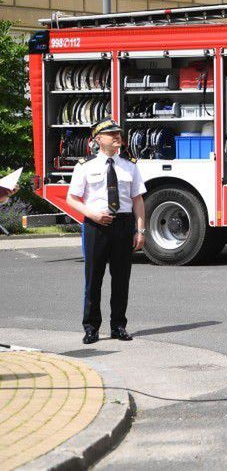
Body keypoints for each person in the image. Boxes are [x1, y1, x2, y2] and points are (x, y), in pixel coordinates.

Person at [65, 119, 146, 345]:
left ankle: (118, 326)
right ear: (98, 139)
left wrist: (140, 230)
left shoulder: (130, 165)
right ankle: (91, 328)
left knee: (121, 279)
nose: (117, 136)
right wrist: (92, 215)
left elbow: (138, 199)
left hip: (123, 225)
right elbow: (72, 198)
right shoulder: (85, 166)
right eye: (111, 134)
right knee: (94, 279)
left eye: (118, 133)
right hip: (96, 226)